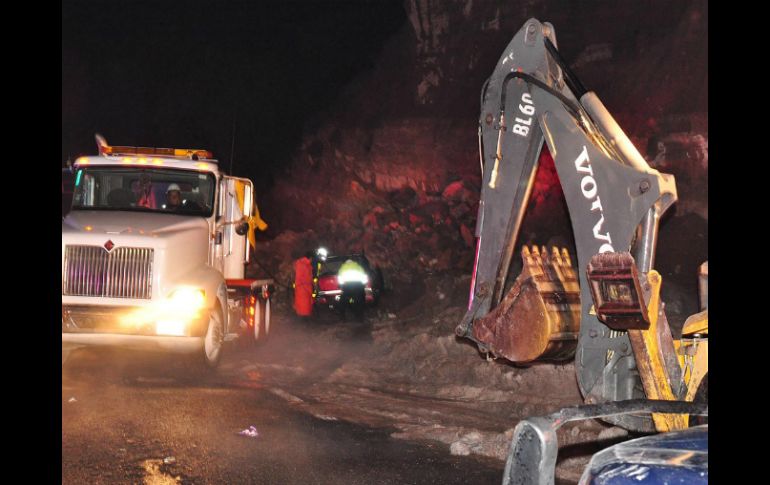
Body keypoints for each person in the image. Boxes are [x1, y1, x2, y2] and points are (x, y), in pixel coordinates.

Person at [293, 252, 314, 317]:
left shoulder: (304, 264)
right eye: (311, 259)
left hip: (303, 287)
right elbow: (305, 277)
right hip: (303, 287)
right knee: (304, 304)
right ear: (310, 258)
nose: (312, 260)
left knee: (304, 304)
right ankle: (303, 318)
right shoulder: (304, 265)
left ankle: (303, 317)